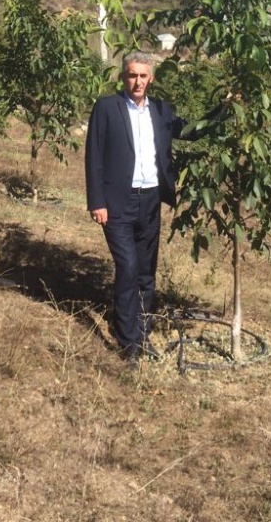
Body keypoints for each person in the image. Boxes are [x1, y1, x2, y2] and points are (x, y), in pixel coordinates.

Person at [85, 51, 187, 366]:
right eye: (132, 75)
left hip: (151, 200)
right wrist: (97, 202)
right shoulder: (106, 108)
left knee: (145, 272)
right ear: (123, 77)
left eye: (143, 75)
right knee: (127, 267)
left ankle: (141, 335)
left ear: (151, 78)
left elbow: (188, 130)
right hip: (118, 203)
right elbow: (94, 157)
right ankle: (127, 340)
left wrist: (224, 111)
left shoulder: (159, 110)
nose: (137, 81)